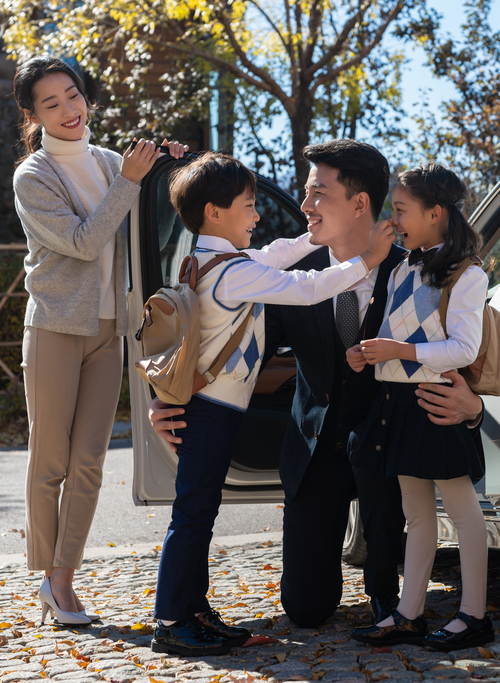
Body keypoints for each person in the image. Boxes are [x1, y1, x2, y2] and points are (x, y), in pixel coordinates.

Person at [150, 140, 486, 630]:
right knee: (305, 609)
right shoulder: (283, 277)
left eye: (317, 194)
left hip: (389, 447)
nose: (303, 206)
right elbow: (209, 337)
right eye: (304, 195)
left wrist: (472, 405)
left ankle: (397, 599)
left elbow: (472, 350)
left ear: (359, 204)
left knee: (393, 577)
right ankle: (185, 612)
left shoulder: (418, 267)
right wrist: (168, 397)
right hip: (314, 451)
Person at [148, 152, 395, 656]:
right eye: (249, 205)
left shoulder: (217, 260)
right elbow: (303, 288)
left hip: (236, 411)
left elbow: (278, 254)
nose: (259, 215)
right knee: (193, 514)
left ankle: (192, 608)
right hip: (214, 410)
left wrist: (314, 239)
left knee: (199, 510)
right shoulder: (232, 272)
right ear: (215, 212)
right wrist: (365, 261)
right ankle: (173, 619)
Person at [11, 56, 188, 626]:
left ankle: (63, 580)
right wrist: (132, 182)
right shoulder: (33, 176)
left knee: (88, 462)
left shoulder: (114, 162)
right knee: (51, 461)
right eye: (51, 103)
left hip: (110, 330)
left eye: (73, 96)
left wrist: (165, 173)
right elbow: (85, 243)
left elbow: (149, 229)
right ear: (34, 115)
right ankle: (46, 571)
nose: (68, 110)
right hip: (55, 328)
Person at [348, 163, 495, 651]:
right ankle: (408, 614)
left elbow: (464, 349)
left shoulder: (468, 273)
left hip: (435, 404)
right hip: (400, 403)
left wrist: (399, 352)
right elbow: (397, 332)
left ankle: (474, 615)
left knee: (461, 510)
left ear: (436, 214)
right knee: (416, 514)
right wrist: (367, 351)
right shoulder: (403, 266)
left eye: (402, 209)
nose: (395, 219)